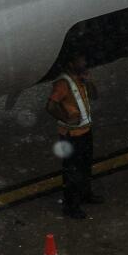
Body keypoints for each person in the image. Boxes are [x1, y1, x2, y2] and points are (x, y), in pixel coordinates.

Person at [46, 53, 102, 218]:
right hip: (71, 135)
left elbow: (95, 96)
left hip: (85, 131)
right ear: (71, 64)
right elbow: (50, 105)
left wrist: (89, 81)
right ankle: (71, 207)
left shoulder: (81, 78)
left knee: (85, 166)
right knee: (72, 172)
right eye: (81, 59)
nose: (84, 61)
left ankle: (85, 194)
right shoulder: (63, 83)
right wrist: (66, 118)